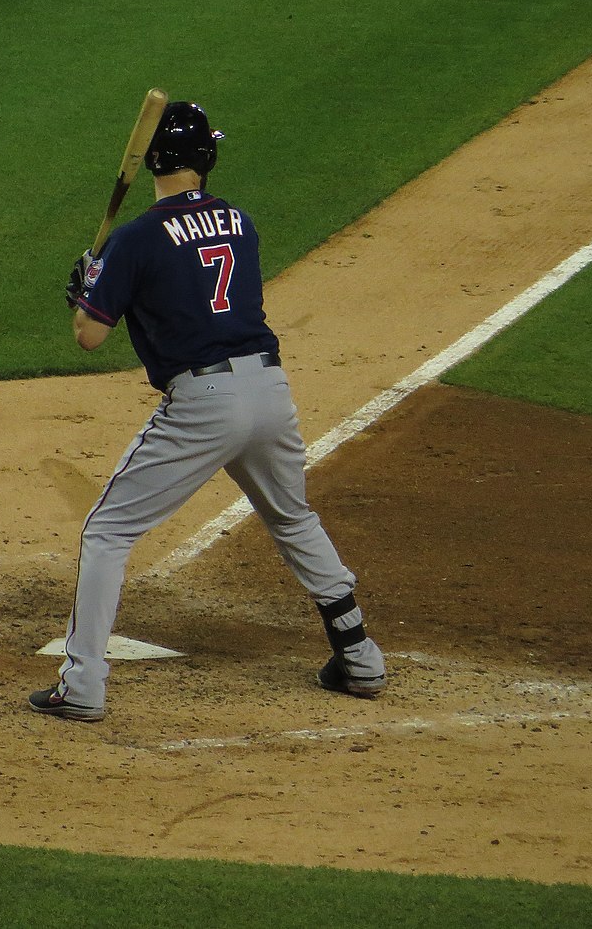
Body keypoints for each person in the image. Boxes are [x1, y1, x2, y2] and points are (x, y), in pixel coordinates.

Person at [28, 101, 386, 723]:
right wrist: (106, 279)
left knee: (107, 532)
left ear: (155, 162)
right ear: (206, 158)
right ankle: (360, 654)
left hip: (205, 403)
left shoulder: (135, 240)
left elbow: (90, 336)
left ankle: (82, 685)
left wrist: (88, 292)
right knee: (293, 517)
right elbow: (196, 288)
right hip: (271, 393)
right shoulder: (240, 223)